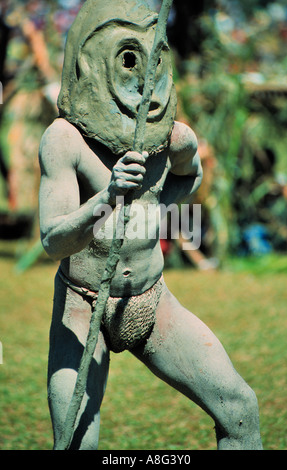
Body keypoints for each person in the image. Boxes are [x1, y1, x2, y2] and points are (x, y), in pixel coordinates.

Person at [39, 0, 263, 450]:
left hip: (151, 302)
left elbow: (190, 176)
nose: (144, 74)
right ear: (93, 60)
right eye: (128, 57)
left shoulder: (172, 137)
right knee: (75, 440)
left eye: (153, 56)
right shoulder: (66, 140)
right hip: (83, 308)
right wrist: (107, 199)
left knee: (239, 408)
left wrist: (152, 206)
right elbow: (52, 240)